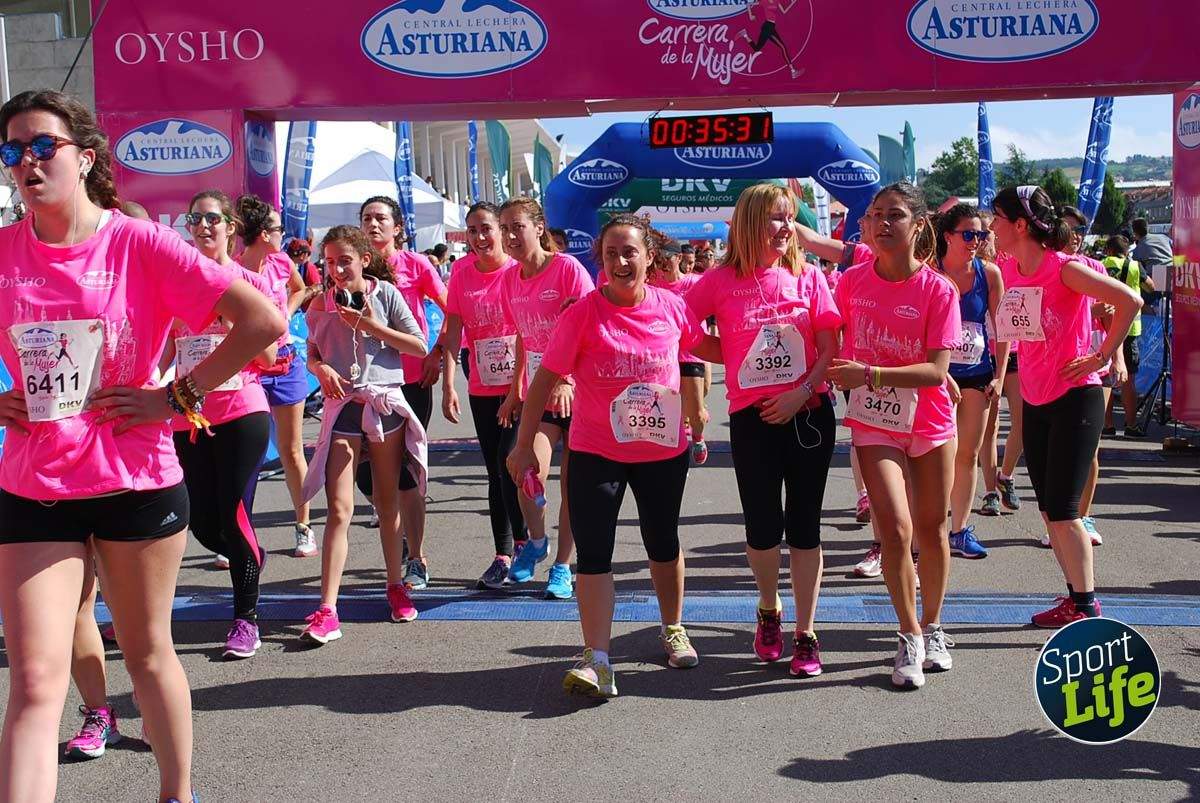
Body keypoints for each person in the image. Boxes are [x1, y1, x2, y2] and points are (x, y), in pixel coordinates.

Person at [0, 88, 284, 803]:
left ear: (85, 156)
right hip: (35, 487)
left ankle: (175, 791)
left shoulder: (140, 243)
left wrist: (178, 395)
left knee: (150, 655)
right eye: (13, 152)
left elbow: (261, 320)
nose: (26, 163)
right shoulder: (4, 253)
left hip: (137, 479)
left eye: (42, 147)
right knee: (36, 678)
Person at [507, 213, 719, 698]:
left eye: (630, 252)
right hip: (597, 450)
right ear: (600, 260)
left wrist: (766, 347)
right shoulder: (582, 314)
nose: (621, 262)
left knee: (663, 542)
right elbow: (543, 381)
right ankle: (597, 659)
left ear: (649, 257)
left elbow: (700, 350)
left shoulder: (670, 306)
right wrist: (523, 446)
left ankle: (672, 627)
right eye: (610, 254)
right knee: (595, 552)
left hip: (662, 450)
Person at [687, 183, 841, 678]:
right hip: (752, 419)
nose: (786, 229)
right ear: (751, 222)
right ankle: (769, 607)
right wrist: (730, 354)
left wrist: (803, 391)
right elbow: (685, 331)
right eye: (776, 218)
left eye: (790, 219)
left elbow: (829, 342)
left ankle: (806, 631)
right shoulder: (718, 280)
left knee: (805, 527)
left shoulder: (807, 276)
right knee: (761, 528)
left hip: (808, 413)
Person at [827, 182, 960, 690]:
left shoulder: (937, 290)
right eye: (876, 214)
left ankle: (934, 625)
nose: (883, 223)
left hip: (928, 422)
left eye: (896, 215)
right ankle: (907, 633)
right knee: (896, 529)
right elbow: (827, 338)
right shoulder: (851, 282)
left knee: (932, 529)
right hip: (873, 422)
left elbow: (934, 371)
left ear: (917, 225)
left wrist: (871, 373)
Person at [988, 186, 1140, 628]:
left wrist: (1103, 355)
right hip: (1034, 401)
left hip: (1076, 397)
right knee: (1050, 511)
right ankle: (1075, 596)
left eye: (997, 217)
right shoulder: (1009, 269)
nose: (992, 225)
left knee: (1067, 510)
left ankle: (1088, 605)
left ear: (1020, 225)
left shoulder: (1066, 269)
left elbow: (1130, 301)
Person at [160, 190, 282, 660]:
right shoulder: (176, 285)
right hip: (185, 413)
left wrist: (230, 315)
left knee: (232, 513)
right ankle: (247, 555)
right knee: (201, 521)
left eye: (214, 219)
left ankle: (245, 619)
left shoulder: (248, 282)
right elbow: (167, 349)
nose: (204, 226)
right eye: (196, 219)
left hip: (240, 409)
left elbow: (268, 353)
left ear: (231, 228)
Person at [300, 226, 429, 643]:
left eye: (345, 261)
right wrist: (321, 370)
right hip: (343, 411)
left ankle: (396, 585)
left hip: (383, 406)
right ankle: (327, 608)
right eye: (330, 261)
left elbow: (418, 346)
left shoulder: (386, 295)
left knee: (387, 502)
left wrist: (372, 326)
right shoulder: (320, 304)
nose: (336, 269)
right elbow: (313, 354)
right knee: (339, 509)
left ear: (364, 260)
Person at [497, 197, 595, 599]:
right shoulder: (509, 279)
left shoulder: (567, 269)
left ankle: (562, 567)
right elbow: (523, 336)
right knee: (525, 469)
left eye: (516, 226)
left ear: (539, 228)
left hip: (580, 390)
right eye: (504, 228)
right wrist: (515, 390)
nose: (509, 236)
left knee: (573, 485)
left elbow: (590, 324)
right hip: (540, 391)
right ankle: (536, 541)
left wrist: (568, 379)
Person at [358, 196, 446, 588]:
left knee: (407, 472)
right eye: (367, 219)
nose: (373, 225)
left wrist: (437, 354)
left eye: (381, 219)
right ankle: (400, 540)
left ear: (398, 227)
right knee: (370, 474)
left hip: (411, 381)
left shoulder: (416, 265)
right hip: (364, 383)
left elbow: (452, 311)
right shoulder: (351, 267)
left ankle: (415, 556)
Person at [440, 203, 528, 588]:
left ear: (501, 231)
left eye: (486, 229)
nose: (479, 238)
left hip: (521, 383)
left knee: (511, 463)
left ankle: (527, 541)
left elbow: (528, 332)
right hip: (480, 384)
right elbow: (453, 331)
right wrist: (448, 386)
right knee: (496, 471)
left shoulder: (517, 271)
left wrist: (516, 389)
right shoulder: (460, 274)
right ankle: (504, 553)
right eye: (472, 230)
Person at [236, 195, 319, 558]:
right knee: (246, 455)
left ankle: (304, 526)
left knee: (292, 450)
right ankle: (239, 533)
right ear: (261, 233)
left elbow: (299, 289)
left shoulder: (282, 262)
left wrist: (284, 312)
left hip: (284, 362)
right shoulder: (236, 269)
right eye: (277, 229)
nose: (283, 235)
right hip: (248, 365)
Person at [934, 203, 1009, 560]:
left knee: (968, 453)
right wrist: (940, 373)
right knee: (937, 456)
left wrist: (999, 375)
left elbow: (1003, 327)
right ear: (948, 236)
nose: (976, 241)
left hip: (977, 375)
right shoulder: (930, 274)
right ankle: (929, 530)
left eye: (981, 235)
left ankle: (959, 530)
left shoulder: (989, 273)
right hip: (936, 376)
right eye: (968, 234)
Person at [1053, 208, 1123, 549]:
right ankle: (1061, 518)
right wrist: (1086, 311)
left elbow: (1116, 314)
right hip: (1059, 367)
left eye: (1081, 229)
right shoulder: (1047, 268)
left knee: (1089, 448)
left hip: (1096, 365)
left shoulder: (1095, 268)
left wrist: (1117, 357)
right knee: (1057, 449)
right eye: (1070, 228)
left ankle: (1084, 515)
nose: (1077, 234)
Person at [651, 236, 710, 464]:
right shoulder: (653, 284)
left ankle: (698, 435)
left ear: (678, 258)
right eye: (659, 258)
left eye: (667, 257)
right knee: (665, 408)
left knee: (696, 413)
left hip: (690, 352)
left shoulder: (695, 282)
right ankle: (671, 448)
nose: (663, 262)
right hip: (662, 356)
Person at [1101, 234, 1153, 438]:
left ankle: (1107, 425)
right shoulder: (1135, 266)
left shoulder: (1101, 263)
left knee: (1105, 377)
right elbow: (1151, 286)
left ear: (1109, 250)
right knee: (1128, 379)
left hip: (1106, 325)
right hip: (1129, 330)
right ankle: (1131, 425)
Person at [736, 0, 803, 78]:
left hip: (771, 27)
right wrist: (750, 15)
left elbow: (784, 11)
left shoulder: (776, 1)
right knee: (783, 47)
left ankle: (745, 35)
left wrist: (792, 3)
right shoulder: (764, 1)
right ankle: (793, 71)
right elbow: (748, 4)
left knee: (757, 48)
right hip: (768, 27)